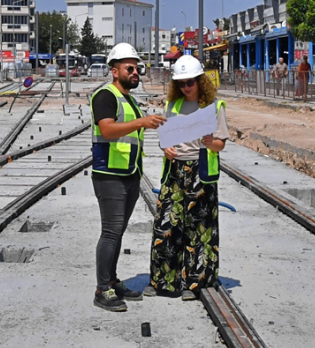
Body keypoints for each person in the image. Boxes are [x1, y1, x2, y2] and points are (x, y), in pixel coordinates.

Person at [144, 54, 230, 301]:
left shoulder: (213, 106)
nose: (186, 87)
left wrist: (209, 142)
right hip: (175, 170)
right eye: (181, 83)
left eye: (190, 82)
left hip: (200, 171)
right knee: (166, 226)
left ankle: (196, 283)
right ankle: (164, 281)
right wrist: (165, 148)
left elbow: (221, 145)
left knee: (199, 229)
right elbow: (165, 137)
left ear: (200, 81)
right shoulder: (172, 106)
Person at [90, 42, 167, 312]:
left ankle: (112, 280)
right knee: (110, 232)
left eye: (138, 68)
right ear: (114, 71)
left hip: (129, 173)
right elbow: (108, 130)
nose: (136, 72)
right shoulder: (104, 96)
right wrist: (142, 122)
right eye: (130, 68)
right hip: (109, 174)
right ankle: (102, 290)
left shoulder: (129, 99)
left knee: (118, 232)